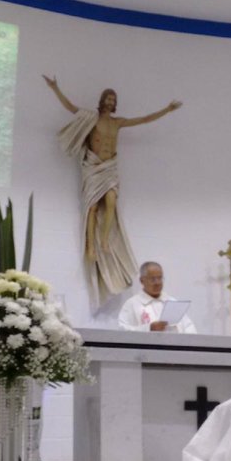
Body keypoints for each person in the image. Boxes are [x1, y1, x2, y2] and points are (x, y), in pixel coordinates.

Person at [43, 75, 182, 303]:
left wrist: (166, 109)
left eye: (113, 98)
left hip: (109, 167)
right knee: (92, 206)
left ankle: (105, 239)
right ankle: (90, 246)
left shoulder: (118, 123)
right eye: (108, 97)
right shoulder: (91, 118)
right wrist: (55, 88)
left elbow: (144, 119)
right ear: (102, 100)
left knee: (111, 201)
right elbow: (70, 107)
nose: (110, 101)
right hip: (93, 166)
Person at [118, 262, 197, 334]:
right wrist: (149, 328)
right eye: (153, 279)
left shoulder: (172, 303)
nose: (157, 283)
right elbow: (123, 331)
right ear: (142, 280)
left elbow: (189, 329)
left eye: (160, 278)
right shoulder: (132, 304)